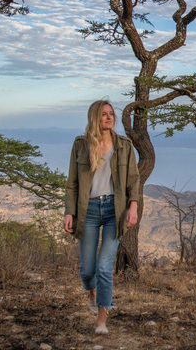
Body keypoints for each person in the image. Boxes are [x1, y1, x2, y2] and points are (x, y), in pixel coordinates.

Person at [64, 100, 140, 335]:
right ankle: (92, 291)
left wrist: (133, 207)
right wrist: (69, 211)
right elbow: (72, 183)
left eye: (111, 114)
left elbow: (134, 180)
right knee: (88, 271)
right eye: (104, 114)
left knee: (105, 268)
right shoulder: (81, 145)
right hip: (87, 211)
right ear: (94, 118)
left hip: (113, 211)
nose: (109, 118)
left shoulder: (124, 146)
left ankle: (101, 321)